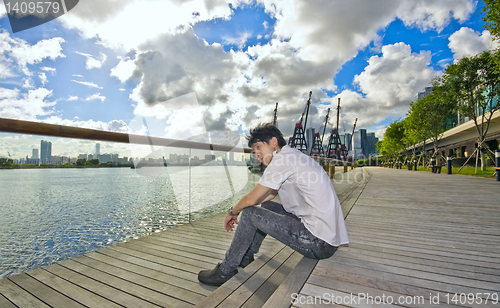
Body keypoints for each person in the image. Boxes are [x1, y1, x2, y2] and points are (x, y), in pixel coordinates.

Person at [198, 123, 349, 286]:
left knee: (249, 213)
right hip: (326, 238)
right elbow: (269, 194)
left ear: (273, 142)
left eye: (258, 147)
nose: (256, 154)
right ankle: (245, 256)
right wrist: (244, 206)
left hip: (318, 242)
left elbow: (251, 199)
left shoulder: (283, 159)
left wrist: (232, 211)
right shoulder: (293, 156)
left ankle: (225, 271)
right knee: (266, 206)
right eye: (253, 151)